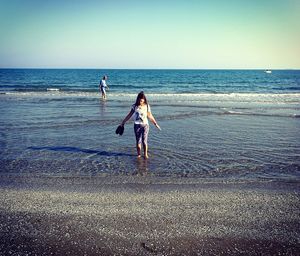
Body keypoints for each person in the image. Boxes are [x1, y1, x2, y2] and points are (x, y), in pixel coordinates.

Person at [120, 91, 161, 159]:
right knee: (138, 141)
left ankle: (145, 154)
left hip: (145, 125)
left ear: (144, 99)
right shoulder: (134, 106)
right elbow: (129, 115)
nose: (140, 101)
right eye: (139, 100)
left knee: (144, 141)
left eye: (141, 100)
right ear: (137, 99)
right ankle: (139, 154)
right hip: (136, 126)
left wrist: (155, 124)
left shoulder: (147, 106)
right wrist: (123, 122)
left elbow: (150, 116)